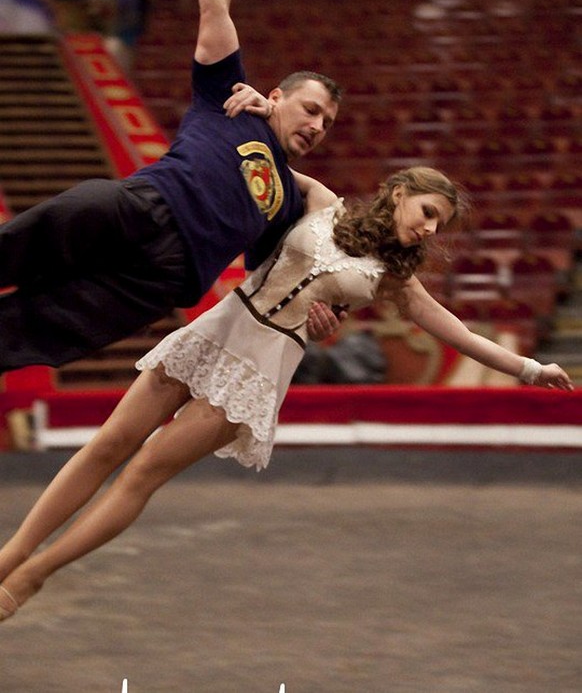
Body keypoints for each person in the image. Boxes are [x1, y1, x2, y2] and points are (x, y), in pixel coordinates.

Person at [0, 165, 573, 621]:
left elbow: (461, 334)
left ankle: (34, 574)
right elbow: (257, 156)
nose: (429, 230)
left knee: (141, 473)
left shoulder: (395, 278)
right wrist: (252, 102)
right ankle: (11, 554)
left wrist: (529, 368)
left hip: (259, 367)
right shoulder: (322, 201)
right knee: (108, 445)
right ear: (399, 193)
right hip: (216, 329)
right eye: (427, 213)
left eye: (438, 225)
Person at [0, 0, 342, 372]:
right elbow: (215, 8)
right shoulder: (229, 99)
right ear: (277, 96)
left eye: (327, 123)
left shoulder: (288, 205)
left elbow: (316, 232)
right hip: (138, 207)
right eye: (311, 110)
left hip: (160, 281)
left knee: (30, 333)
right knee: (18, 246)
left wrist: (324, 309)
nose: (318, 126)